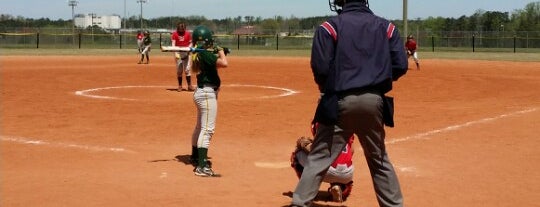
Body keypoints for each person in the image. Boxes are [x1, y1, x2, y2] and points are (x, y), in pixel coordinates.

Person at [290, 0, 408, 207]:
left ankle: (299, 203)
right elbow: (400, 64)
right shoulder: (387, 27)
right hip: (375, 100)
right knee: (379, 159)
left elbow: (321, 67)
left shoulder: (330, 26)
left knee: (319, 158)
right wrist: (376, 80)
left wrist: (330, 86)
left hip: (340, 100)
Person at [189, 25, 228, 177]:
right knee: (207, 129)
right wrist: (221, 52)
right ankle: (202, 166)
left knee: (200, 127)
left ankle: (195, 156)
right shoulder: (204, 54)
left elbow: (215, 63)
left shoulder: (201, 53)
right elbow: (224, 63)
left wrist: (220, 52)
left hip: (202, 92)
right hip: (206, 94)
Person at [291, 123, 354, 203]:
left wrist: (309, 146)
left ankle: (308, 190)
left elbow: (318, 152)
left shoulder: (320, 122)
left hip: (326, 171)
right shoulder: (348, 124)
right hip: (347, 174)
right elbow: (352, 151)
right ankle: (341, 187)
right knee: (340, 162)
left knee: (296, 155)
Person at [171, 22, 195, 91]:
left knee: (187, 70)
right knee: (179, 71)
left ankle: (189, 85)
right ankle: (180, 86)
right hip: (178, 52)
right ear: (178, 28)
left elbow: (191, 43)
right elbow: (173, 44)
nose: (181, 30)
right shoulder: (175, 34)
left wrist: (188, 49)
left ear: (185, 28)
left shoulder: (188, 34)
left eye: (182, 29)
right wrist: (175, 52)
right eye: (180, 29)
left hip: (186, 53)